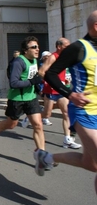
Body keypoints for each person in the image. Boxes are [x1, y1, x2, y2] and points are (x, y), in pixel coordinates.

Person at [38, 11, 97, 191]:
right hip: (84, 111)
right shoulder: (79, 48)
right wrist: (70, 94)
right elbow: (50, 73)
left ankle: (47, 158)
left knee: (91, 164)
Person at [0, 36, 46, 164]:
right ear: (25, 50)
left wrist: (38, 89)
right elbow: (14, 83)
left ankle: (41, 156)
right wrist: (31, 82)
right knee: (11, 124)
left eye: (38, 46)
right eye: (33, 47)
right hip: (16, 99)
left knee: (38, 125)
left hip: (31, 98)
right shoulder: (19, 62)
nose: (37, 49)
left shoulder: (34, 61)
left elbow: (33, 77)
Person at [39, 39, 82, 149]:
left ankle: (67, 139)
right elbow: (41, 72)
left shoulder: (67, 57)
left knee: (66, 113)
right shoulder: (53, 57)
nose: (69, 47)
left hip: (62, 90)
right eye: (66, 45)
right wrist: (51, 82)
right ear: (59, 46)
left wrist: (66, 81)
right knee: (47, 114)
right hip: (50, 90)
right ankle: (31, 117)